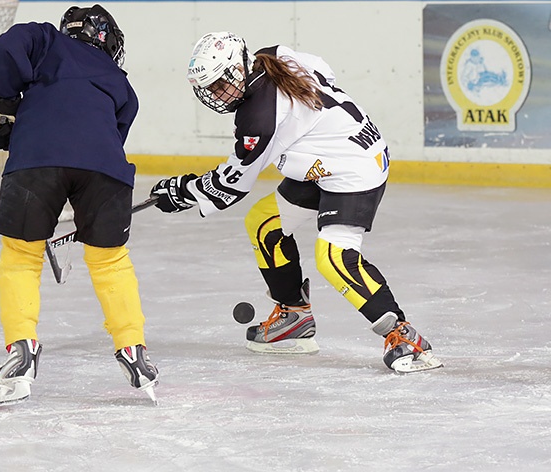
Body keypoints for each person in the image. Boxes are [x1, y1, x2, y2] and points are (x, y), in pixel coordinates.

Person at [149, 32, 441, 373]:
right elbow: (323, 71)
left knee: (333, 256)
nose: (216, 95)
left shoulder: (258, 117)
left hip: (353, 169)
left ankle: (404, 336)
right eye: (209, 89)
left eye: (220, 84)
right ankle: (293, 316)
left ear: (239, 69)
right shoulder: (273, 56)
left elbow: (231, 184)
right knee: (263, 223)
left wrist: (182, 191)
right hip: (329, 160)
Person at [0, 4, 158, 405]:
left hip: (36, 160)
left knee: (22, 257)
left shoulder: (46, 39)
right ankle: (134, 349)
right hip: (106, 170)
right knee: (110, 260)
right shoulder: (120, 81)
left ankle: (21, 352)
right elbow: (112, 137)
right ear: (107, 39)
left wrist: (2, 98)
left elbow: (7, 47)